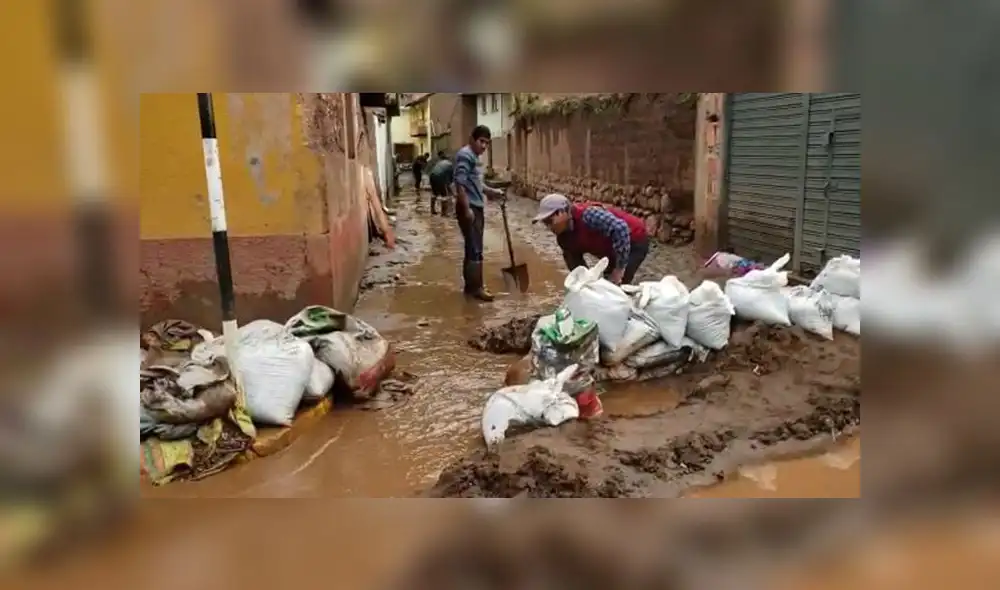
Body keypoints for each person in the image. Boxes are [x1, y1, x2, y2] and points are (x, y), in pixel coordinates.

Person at [533, 193, 649, 285]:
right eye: (545, 223)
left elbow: (620, 229)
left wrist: (619, 269)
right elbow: (577, 268)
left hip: (633, 239)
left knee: (617, 285)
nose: (548, 227)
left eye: (549, 221)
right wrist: (586, 284)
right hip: (610, 249)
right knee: (605, 286)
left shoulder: (588, 215)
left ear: (562, 212)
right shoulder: (564, 239)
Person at [454, 125, 505, 301]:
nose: (484, 146)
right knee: (475, 248)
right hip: (470, 208)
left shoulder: (474, 158)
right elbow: (459, 184)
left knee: (473, 247)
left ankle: (471, 287)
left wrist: (492, 191)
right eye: (481, 141)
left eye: (487, 143)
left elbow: (475, 184)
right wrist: (466, 208)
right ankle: (476, 288)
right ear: (472, 139)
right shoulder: (465, 155)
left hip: (475, 206)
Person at [427, 150, 453, 215]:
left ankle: (432, 210)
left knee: (434, 193)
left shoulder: (439, 162)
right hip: (439, 177)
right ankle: (444, 213)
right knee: (444, 195)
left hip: (432, 176)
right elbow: (450, 179)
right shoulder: (450, 165)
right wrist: (449, 189)